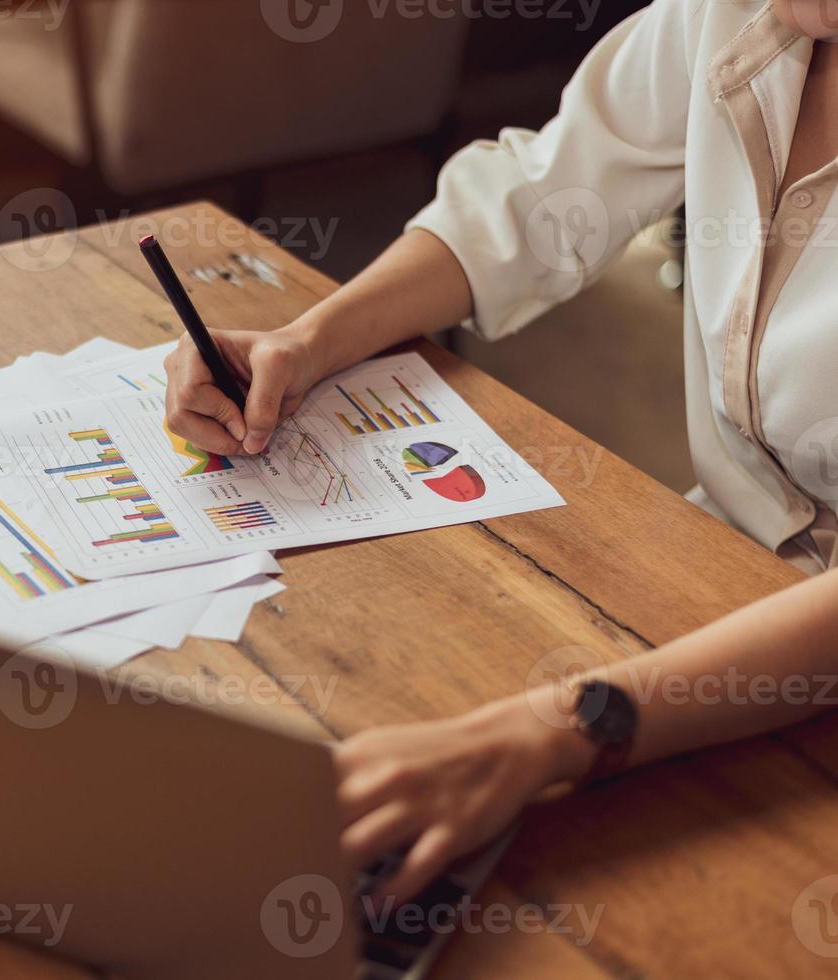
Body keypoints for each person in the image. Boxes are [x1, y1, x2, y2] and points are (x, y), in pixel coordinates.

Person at [164, 0, 838, 904]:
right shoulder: (736, 14)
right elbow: (534, 196)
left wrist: (558, 729)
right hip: (715, 577)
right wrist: (312, 338)